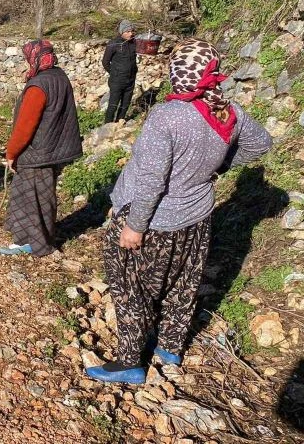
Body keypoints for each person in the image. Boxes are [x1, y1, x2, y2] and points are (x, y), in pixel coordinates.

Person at [86, 39, 272, 384]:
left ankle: (129, 362)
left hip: (152, 221)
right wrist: (218, 168)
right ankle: (169, 347)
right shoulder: (228, 113)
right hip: (196, 218)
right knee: (183, 284)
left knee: (131, 288)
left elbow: (151, 180)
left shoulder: (167, 117)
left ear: (178, 73)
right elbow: (261, 143)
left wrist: (134, 225)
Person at [0, 39, 83, 257]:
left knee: (30, 198)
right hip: (54, 150)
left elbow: (25, 126)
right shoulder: (59, 76)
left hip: (37, 152)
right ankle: (38, 238)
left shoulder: (38, 86)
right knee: (43, 196)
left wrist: (11, 153)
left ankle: (34, 244)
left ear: (33, 58)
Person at [102, 19, 138, 123]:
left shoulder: (134, 42)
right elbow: (105, 62)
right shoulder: (113, 44)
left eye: (132, 31)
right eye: (128, 31)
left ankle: (119, 124)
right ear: (121, 32)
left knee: (125, 104)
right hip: (117, 80)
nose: (131, 33)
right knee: (113, 105)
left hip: (130, 79)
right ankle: (107, 125)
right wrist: (114, 73)